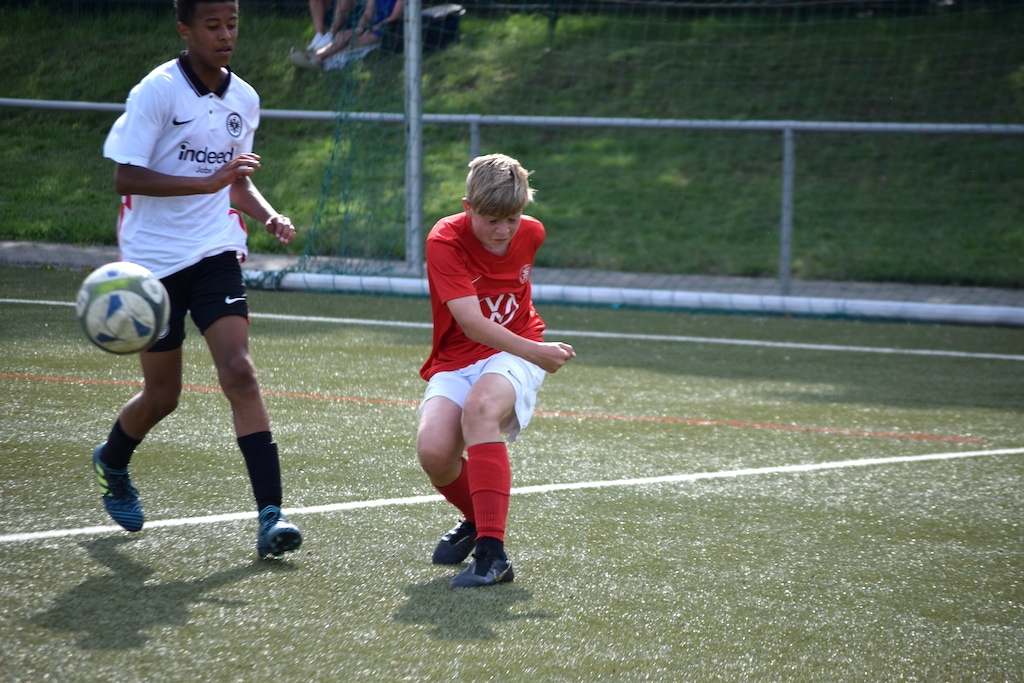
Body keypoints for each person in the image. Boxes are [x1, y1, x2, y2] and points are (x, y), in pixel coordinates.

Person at [95, 0, 303, 560]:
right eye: (212, 25)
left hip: (215, 248)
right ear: (185, 29)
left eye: (232, 23)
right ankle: (112, 460)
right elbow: (125, 177)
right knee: (164, 395)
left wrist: (269, 215)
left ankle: (271, 515)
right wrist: (207, 183)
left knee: (240, 371)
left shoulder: (244, 98)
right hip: (153, 260)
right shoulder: (157, 91)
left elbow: (235, 181)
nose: (225, 34)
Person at [416, 154, 576, 587]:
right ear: (467, 207)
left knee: (481, 408)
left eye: (512, 219)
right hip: (461, 356)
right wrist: (538, 352)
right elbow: (471, 323)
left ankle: (492, 554)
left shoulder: (533, 232)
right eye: (491, 220)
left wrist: (530, 351)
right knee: (434, 452)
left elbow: (512, 302)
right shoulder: (444, 240)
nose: (504, 230)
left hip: (513, 350)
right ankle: (477, 519)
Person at [290, 0, 403, 71]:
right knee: (344, 34)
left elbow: (394, 17)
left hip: (389, 29)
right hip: (371, 27)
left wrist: (372, 28)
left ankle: (322, 60)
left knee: (358, 41)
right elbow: (367, 14)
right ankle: (318, 56)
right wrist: (360, 28)